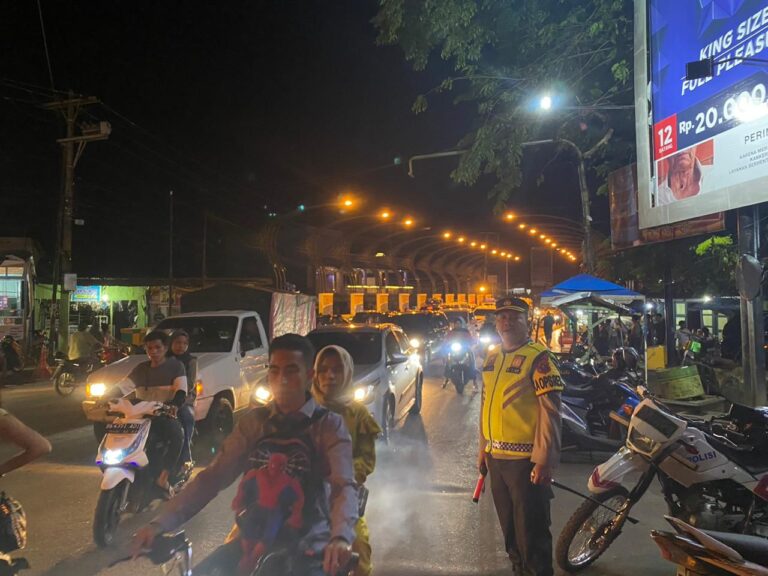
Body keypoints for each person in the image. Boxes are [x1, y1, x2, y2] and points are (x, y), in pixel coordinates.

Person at [131, 334, 357, 576]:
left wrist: (340, 537)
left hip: (309, 545)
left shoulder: (329, 425)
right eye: (274, 370)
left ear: (309, 376)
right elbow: (213, 477)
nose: (281, 379)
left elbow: (343, 485)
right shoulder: (254, 423)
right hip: (251, 539)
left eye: (291, 371)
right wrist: (160, 523)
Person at [478, 297, 563, 576]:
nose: (506, 321)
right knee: (511, 533)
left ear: (528, 322)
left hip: (525, 461)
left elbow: (550, 412)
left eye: (514, 316)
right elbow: (485, 402)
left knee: (532, 534)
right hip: (496, 459)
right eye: (501, 316)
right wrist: (483, 449)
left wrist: (544, 461)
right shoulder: (492, 356)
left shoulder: (539, 358)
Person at [312, 345, 381, 576]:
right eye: (323, 370)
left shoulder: (358, 414)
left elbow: (366, 459)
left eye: (336, 370)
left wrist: (343, 476)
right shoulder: (303, 410)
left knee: (360, 550)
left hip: (343, 498)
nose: (329, 376)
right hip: (304, 498)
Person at [115, 331, 187, 492]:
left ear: (165, 348)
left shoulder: (176, 366)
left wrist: (174, 405)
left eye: (157, 347)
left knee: (177, 436)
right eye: (149, 348)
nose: (153, 351)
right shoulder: (141, 369)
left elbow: (181, 391)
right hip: (138, 417)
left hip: (163, 415)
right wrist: (104, 399)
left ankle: (163, 478)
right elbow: (122, 388)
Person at [167, 330, 196, 470]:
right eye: (177, 342)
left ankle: (186, 456)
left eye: (184, 343)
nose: (181, 346)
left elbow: (190, 384)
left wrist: (178, 393)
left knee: (186, 418)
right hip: (164, 399)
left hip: (184, 400)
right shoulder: (163, 359)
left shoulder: (191, 361)